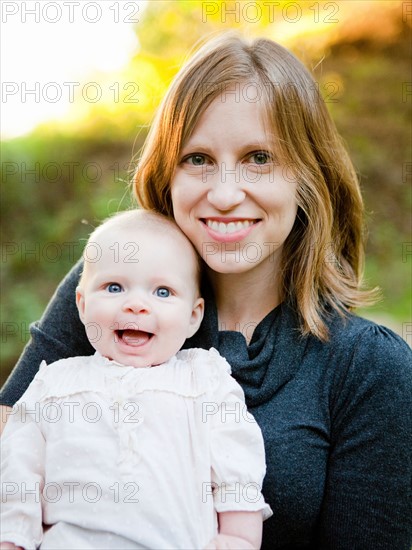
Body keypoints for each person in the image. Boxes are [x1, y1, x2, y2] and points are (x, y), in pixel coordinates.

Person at [1, 32, 411, 549]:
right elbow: (12, 436)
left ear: (310, 176)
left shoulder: (370, 369)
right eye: (197, 158)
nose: (222, 193)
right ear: (166, 173)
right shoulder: (118, 287)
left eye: (259, 157)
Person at [0, 209, 271, 550]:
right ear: (81, 305)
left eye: (162, 292)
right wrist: (13, 538)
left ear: (193, 316)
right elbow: (18, 468)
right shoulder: (54, 384)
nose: (136, 305)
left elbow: (237, 460)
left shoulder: (204, 382)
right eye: (114, 287)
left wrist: (237, 537)